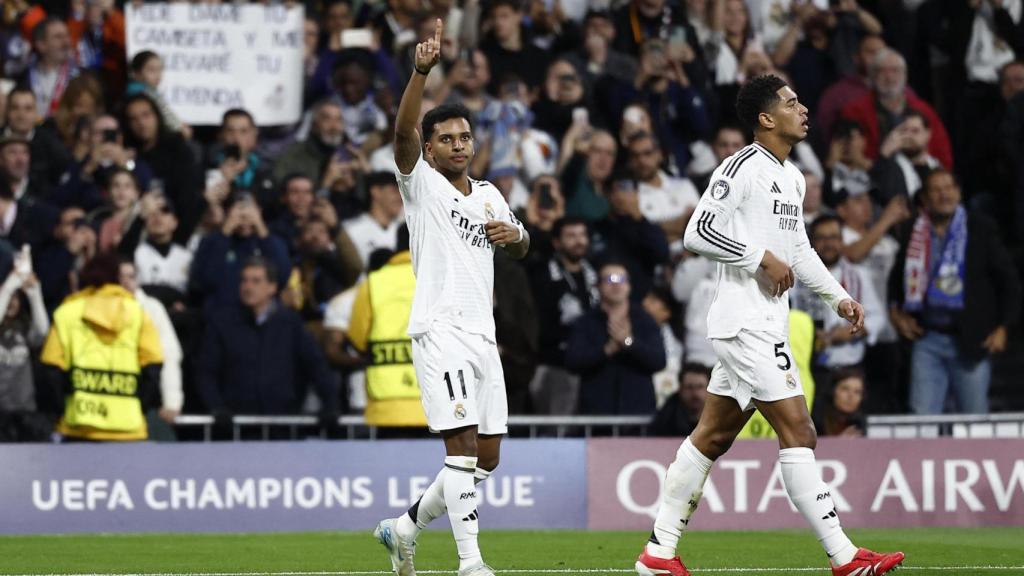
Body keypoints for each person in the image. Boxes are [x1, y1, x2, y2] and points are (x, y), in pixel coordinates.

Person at [634, 75, 904, 576]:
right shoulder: (739, 168)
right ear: (766, 118)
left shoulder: (794, 177)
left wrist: (838, 297)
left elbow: (798, 249)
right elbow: (698, 232)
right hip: (744, 323)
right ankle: (844, 557)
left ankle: (658, 554)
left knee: (710, 437)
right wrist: (758, 256)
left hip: (766, 321)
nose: (802, 109)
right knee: (800, 430)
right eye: (791, 102)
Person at [374, 20, 530, 576]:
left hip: (483, 336)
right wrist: (421, 72)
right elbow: (401, 135)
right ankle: (471, 564)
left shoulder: (490, 195)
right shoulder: (422, 186)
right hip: (440, 329)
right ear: (432, 150)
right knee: (461, 451)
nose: (458, 145)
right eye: (446, 139)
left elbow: (518, 245)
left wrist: (519, 237)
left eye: (464, 137)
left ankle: (405, 527)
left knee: (485, 459)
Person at [888, 169, 1021, 415]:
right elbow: (896, 279)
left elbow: (1009, 282)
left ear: (959, 193)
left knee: (974, 418)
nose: (943, 194)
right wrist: (896, 312)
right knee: (921, 418)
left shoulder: (980, 228)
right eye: (936, 190)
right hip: (927, 338)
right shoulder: (912, 230)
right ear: (925, 199)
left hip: (971, 339)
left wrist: (1004, 327)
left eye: (948, 188)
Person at [39, 252, 163, 441]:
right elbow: (153, 366)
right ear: (116, 277)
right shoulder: (137, 314)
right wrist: (139, 405)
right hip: (129, 427)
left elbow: (50, 368)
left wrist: (63, 407)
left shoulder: (67, 313)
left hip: (78, 426)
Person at [347, 225, 426, 428]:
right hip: (436, 406)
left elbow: (356, 338)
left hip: (386, 406)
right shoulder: (444, 281)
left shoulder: (373, 283)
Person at [565, 261, 666, 415]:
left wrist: (629, 343)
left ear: (629, 286)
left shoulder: (644, 320)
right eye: (609, 280)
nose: (616, 285)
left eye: (621, 280)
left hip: (638, 415)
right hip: (596, 416)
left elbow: (659, 361)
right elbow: (573, 361)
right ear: (598, 286)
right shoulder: (585, 322)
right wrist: (606, 350)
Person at [528, 217, 598, 415]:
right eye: (571, 236)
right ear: (556, 242)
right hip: (556, 367)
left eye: (582, 235)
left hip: (593, 367)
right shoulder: (542, 276)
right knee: (557, 432)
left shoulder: (595, 274)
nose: (579, 241)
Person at [650, 364, 712, 437]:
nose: (695, 393)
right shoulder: (665, 419)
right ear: (680, 389)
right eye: (689, 387)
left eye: (700, 387)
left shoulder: (720, 417)